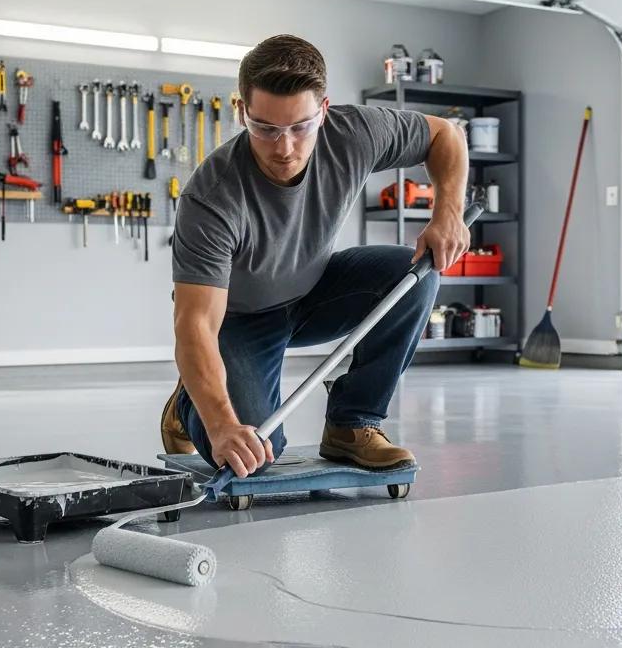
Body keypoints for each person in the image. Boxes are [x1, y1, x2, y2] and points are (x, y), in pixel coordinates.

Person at [161, 33, 469, 479]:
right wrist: (223, 424)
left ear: (323, 111)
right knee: (257, 451)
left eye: (300, 126)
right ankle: (191, 400)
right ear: (241, 112)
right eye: (265, 128)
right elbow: (195, 324)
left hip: (313, 293)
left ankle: (352, 424)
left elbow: (447, 134)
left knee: (414, 275)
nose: (284, 148)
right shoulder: (211, 197)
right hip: (240, 320)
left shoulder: (354, 133)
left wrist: (448, 212)